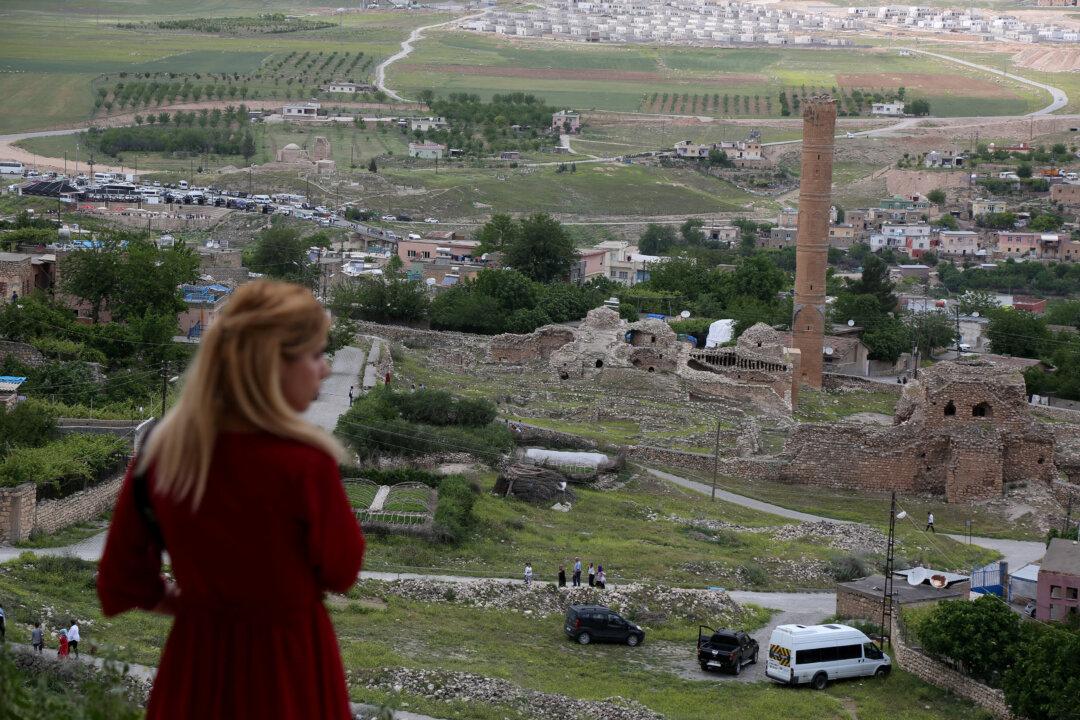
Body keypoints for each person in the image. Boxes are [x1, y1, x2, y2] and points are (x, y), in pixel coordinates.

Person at [97, 280, 365, 720]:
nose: (326, 368)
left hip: (195, 666)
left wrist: (204, 607)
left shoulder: (161, 457)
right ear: (273, 365)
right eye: (316, 354)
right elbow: (341, 570)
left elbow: (121, 581)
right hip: (288, 669)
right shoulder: (305, 464)